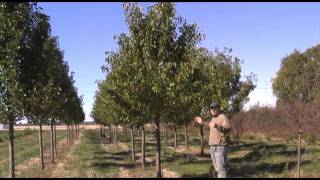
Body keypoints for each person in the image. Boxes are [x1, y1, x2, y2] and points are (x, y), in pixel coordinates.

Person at [195, 101, 231, 178]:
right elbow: (209, 126)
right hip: (213, 146)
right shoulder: (213, 118)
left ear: (219, 108)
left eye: (215, 108)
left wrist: (217, 125)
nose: (213, 110)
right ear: (210, 110)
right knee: (217, 168)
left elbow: (228, 128)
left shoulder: (222, 116)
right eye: (212, 108)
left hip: (220, 146)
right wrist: (202, 123)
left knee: (221, 169)